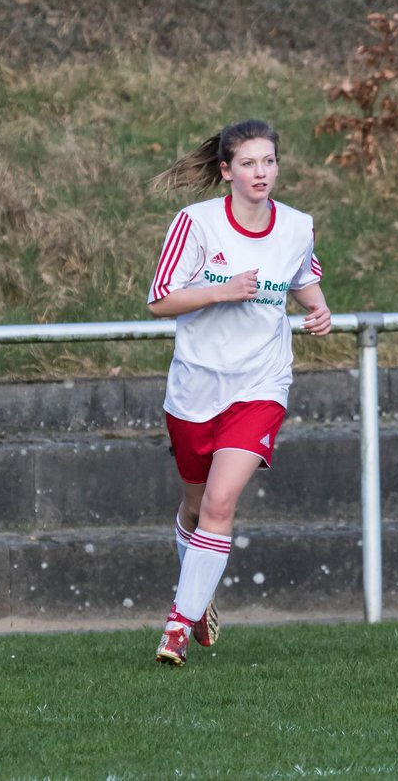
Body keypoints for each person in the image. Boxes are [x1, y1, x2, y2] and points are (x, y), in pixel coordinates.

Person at [146, 119, 331, 666]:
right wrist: (221, 291)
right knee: (196, 506)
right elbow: (159, 300)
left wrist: (318, 309)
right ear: (226, 171)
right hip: (196, 384)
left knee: (222, 503)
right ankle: (196, 597)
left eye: (269, 161)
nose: (261, 172)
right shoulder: (195, 224)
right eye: (248, 163)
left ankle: (177, 629)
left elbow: (303, 278)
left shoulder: (297, 226)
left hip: (261, 383)